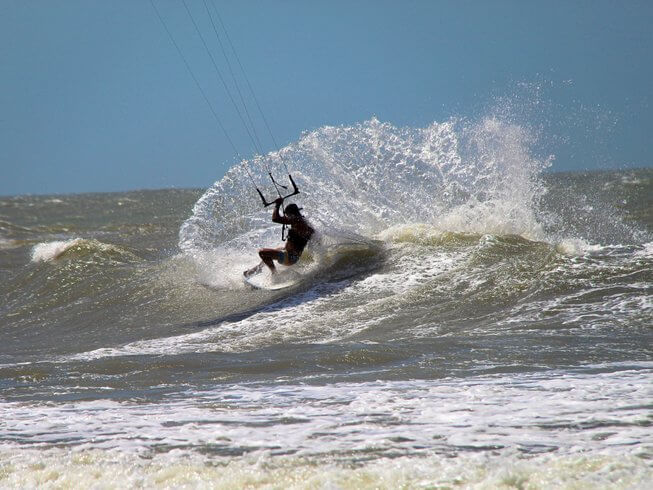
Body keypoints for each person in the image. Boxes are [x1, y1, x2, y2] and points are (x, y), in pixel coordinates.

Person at [245, 198, 314, 276]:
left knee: (263, 252)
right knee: (276, 249)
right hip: (292, 255)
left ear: (291, 214)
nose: (287, 217)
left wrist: (277, 205)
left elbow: (275, 219)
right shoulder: (304, 222)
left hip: (289, 258)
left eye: (287, 215)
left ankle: (274, 274)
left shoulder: (296, 221)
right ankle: (257, 268)